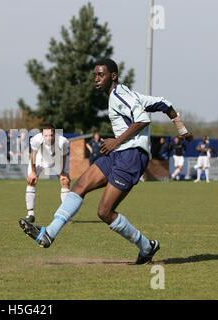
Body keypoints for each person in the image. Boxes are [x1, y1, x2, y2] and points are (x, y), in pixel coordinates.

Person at [18, 58, 193, 265]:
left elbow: (142, 120)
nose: (96, 79)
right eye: (95, 76)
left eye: (101, 75)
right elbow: (165, 104)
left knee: (104, 212)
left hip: (132, 156)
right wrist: (181, 128)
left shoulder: (119, 95)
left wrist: (115, 142)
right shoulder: (128, 94)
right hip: (118, 153)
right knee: (80, 185)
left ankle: (147, 246)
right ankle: (49, 233)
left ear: (113, 76)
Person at [24, 123, 71, 223]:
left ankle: (66, 215)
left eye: (51, 135)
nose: (48, 138)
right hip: (39, 159)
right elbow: (33, 155)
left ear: (55, 135)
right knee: (31, 180)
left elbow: (63, 156)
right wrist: (33, 172)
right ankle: (30, 214)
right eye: (46, 135)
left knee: (65, 181)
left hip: (56, 160)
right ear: (42, 135)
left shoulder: (62, 141)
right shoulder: (36, 140)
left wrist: (62, 172)